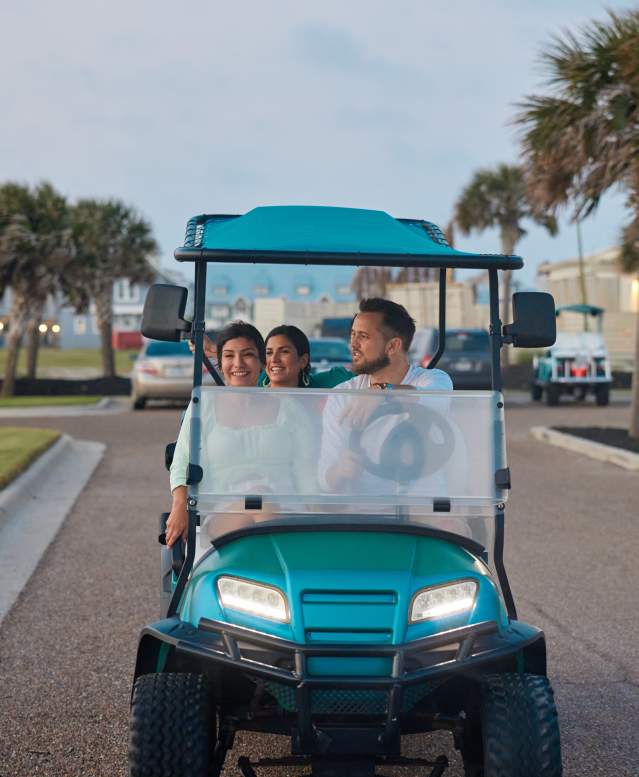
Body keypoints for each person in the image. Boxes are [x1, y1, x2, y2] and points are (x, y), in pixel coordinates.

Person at [165, 321, 316, 546]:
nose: (238, 364)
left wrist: (317, 512)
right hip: (223, 511)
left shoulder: (291, 409)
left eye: (247, 355)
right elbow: (181, 462)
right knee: (257, 504)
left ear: (262, 362)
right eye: (228, 356)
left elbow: (308, 473)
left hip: (285, 507)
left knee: (264, 504)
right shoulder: (202, 405)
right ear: (220, 362)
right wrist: (179, 507)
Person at [320, 297, 452, 492]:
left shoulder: (434, 380)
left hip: (423, 508)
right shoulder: (342, 394)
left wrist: (381, 392)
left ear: (392, 346)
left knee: (453, 525)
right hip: (365, 510)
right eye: (353, 335)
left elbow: (433, 399)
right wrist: (339, 472)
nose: (352, 344)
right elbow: (325, 478)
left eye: (363, 336)